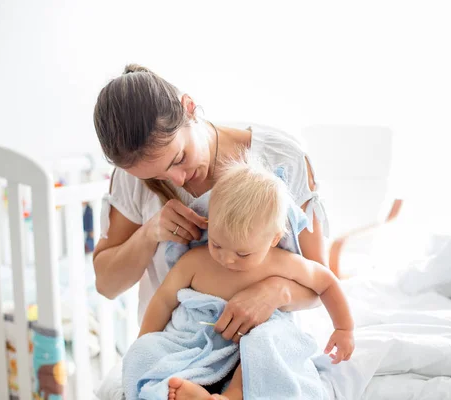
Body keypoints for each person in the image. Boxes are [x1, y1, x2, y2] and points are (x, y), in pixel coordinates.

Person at [92, 63, 330, 341]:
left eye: (179, 159)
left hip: (266, 339)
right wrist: (149, 233)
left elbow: (321, 283)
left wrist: (276, 292)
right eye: (156, 177)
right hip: (174, 343)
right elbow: (107, 286)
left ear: (189, 107)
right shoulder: (130, 177)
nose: (177, 180)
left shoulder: (281, 159)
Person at [133, 161, 354, 400]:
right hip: (199, 345)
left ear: (273, 239)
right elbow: (164, 300)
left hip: (252, 347)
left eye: (242, 253)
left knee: (266, 341)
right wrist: (145, 340)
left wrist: (344, 328)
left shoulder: (281, 263)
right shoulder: (194, 262)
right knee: (146, 352)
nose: (227, 259)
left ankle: (234, 394)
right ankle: (190, 389)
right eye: (216, 243)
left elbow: (327, 282)